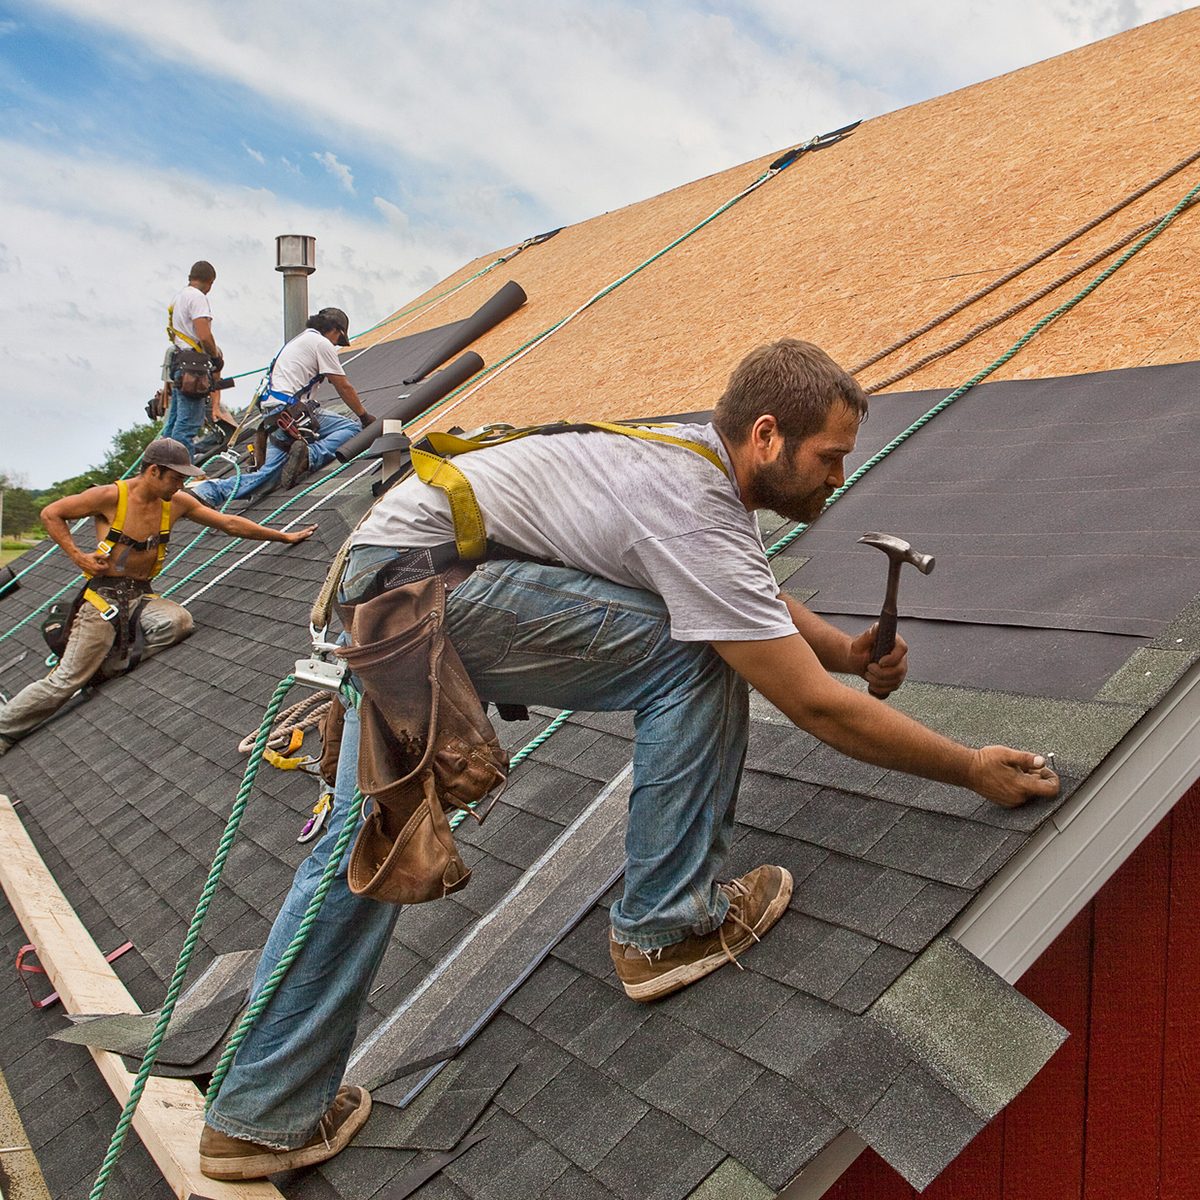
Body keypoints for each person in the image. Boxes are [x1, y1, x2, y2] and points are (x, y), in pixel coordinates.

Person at [198, 339, 1060, 1180]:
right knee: (699, 653)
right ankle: (665, 925)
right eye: (831, 457)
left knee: (372, 837)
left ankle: (260, 1114)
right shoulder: (688, 503)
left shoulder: (686, 464)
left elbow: (739, 587)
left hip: (396, 583)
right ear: (767, 435)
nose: (840, 476)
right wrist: (970, 766)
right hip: (425, 594)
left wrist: (841, 647)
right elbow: (810, 704)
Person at [0, 439, 316, 754]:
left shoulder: (176, 502)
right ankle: (4, 728)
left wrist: (283, 535)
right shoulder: (110, 496)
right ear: (154, 471)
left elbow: (228, 523)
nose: (182, 484)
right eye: (177, 477)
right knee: (66, 680)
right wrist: (78, 556)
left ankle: (107, 665)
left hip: (140, 597)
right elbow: (51, 513)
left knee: (178, 622)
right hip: (102, 600)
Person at [188, 308, 375, 508]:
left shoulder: (298, 342)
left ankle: (208, 491)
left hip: (274, 415)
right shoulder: (322, 343)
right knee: (352, 430)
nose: (336, 345)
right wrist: (364, 417)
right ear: (337, 330)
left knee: (268, 477)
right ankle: (309, 456)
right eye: (338, 340)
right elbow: (343, 386)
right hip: (293, 412)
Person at [161, 261, 222, 459]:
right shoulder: (197, 297)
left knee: (174, 422)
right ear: (210, 282)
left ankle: (162, 460)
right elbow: (203, 334)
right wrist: (215, 356)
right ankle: (180, 469)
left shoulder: (178, 297)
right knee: (187, 424)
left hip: (180, 363)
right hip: (193, 367)